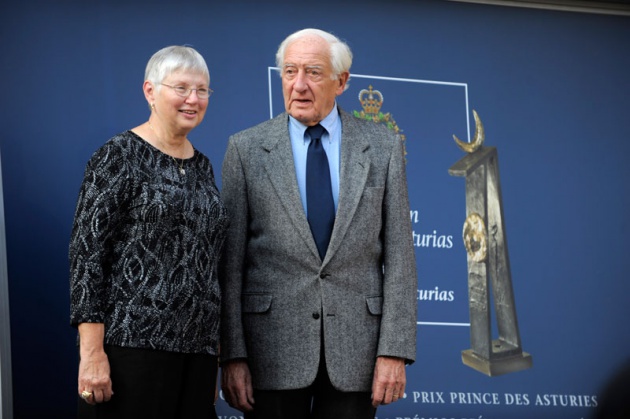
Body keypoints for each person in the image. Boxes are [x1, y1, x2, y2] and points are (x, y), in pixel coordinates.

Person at [219, 28, 417, 419]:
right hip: (269, 353)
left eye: (313, 72)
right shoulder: (244, 149)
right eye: (289, 72)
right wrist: (233, 355)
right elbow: (229, 265)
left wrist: (394, 350)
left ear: (341, 81)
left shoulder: (383, 147)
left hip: (356, 355)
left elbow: (399, 258)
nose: (299, 84)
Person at [69, 45, 228, 419]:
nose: (194, 99)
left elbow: (210, 264)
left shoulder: (203, 167)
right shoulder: (118, 155)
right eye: (182, 88)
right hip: (132, 351)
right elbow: (87, 258)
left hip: (197, 356)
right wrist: (92, 355)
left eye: (202, 90)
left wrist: (216, 353)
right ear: (150, 91)